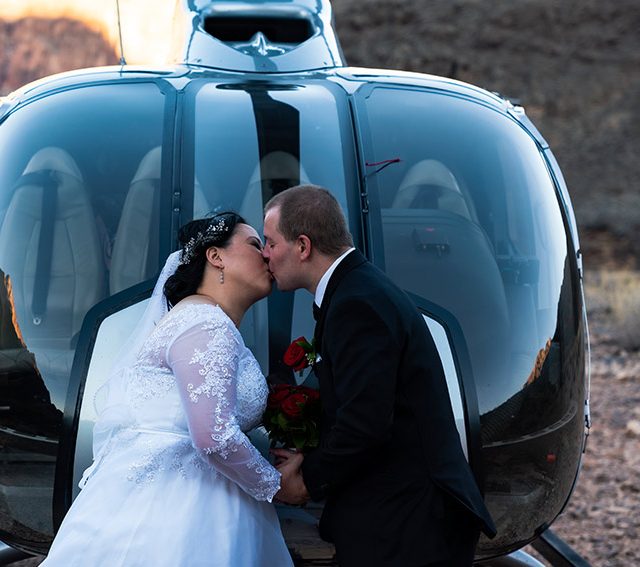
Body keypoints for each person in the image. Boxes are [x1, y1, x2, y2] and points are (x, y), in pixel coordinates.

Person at [262, 185, 498, 567]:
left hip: (410, 526)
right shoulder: (356, 289)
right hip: (400, 517)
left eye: (271, 242)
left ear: (303, 246)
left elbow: (365, 423)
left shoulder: (357, 304)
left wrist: (306, 480)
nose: (265, 254)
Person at [40, 212, 293, 567]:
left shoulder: (200, 320)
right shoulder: (207, 323)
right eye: (255, 244)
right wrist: (278, 485)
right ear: (215, 256)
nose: (267, 255)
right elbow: (215, 436)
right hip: (180, 510)